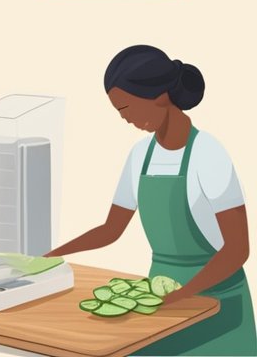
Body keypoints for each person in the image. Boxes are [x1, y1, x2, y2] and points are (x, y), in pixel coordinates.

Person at [50, 46, 255, 355]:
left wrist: (183, 295)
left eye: (127, 108)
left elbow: (238, 249)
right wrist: (51, 256)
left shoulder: (209, 154)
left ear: (159, 96)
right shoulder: (139, 156)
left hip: (218, 303)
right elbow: (111, 229)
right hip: (162, 302)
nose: (124, 118)